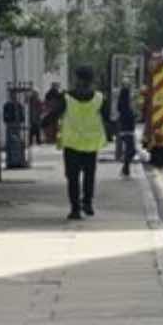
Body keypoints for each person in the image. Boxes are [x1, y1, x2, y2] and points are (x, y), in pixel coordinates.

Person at [42, 66, 110, 220]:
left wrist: (44, 123)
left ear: (78, 79)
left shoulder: (66, 97)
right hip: (91, 143)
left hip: (72, 143)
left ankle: (75, 209)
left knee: (72, 177)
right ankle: (87, 202)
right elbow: (107, 117)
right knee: (89, 175)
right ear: (91, 80)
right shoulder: (99, 98)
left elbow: (54, 114)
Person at [117, 83, 136, 178]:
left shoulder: (124, 105)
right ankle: (125, 169)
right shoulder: (125, 106)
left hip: (127, 131)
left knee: (130, 150)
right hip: (127, 131)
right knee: (132, 151)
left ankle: (126, 170)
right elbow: (127, 117)